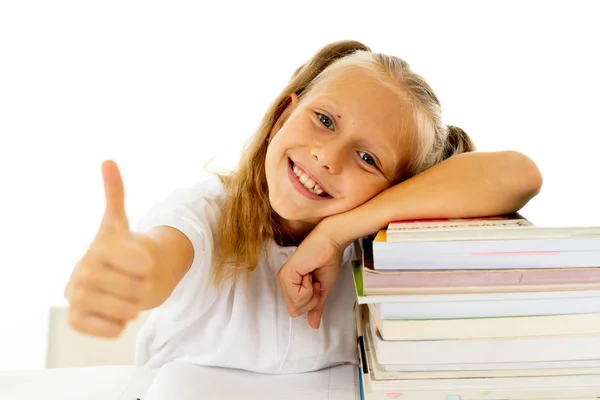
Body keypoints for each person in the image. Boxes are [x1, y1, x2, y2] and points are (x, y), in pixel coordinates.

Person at [64, 40, 543, 374]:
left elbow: (520, 175)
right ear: (281, 116)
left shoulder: (368, 246)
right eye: (325, 120)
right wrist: (127, 276)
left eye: (368, 158)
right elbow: (158, 258)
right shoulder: (206, 215)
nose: (326, 158)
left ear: (394, 191)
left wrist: (335, 235)